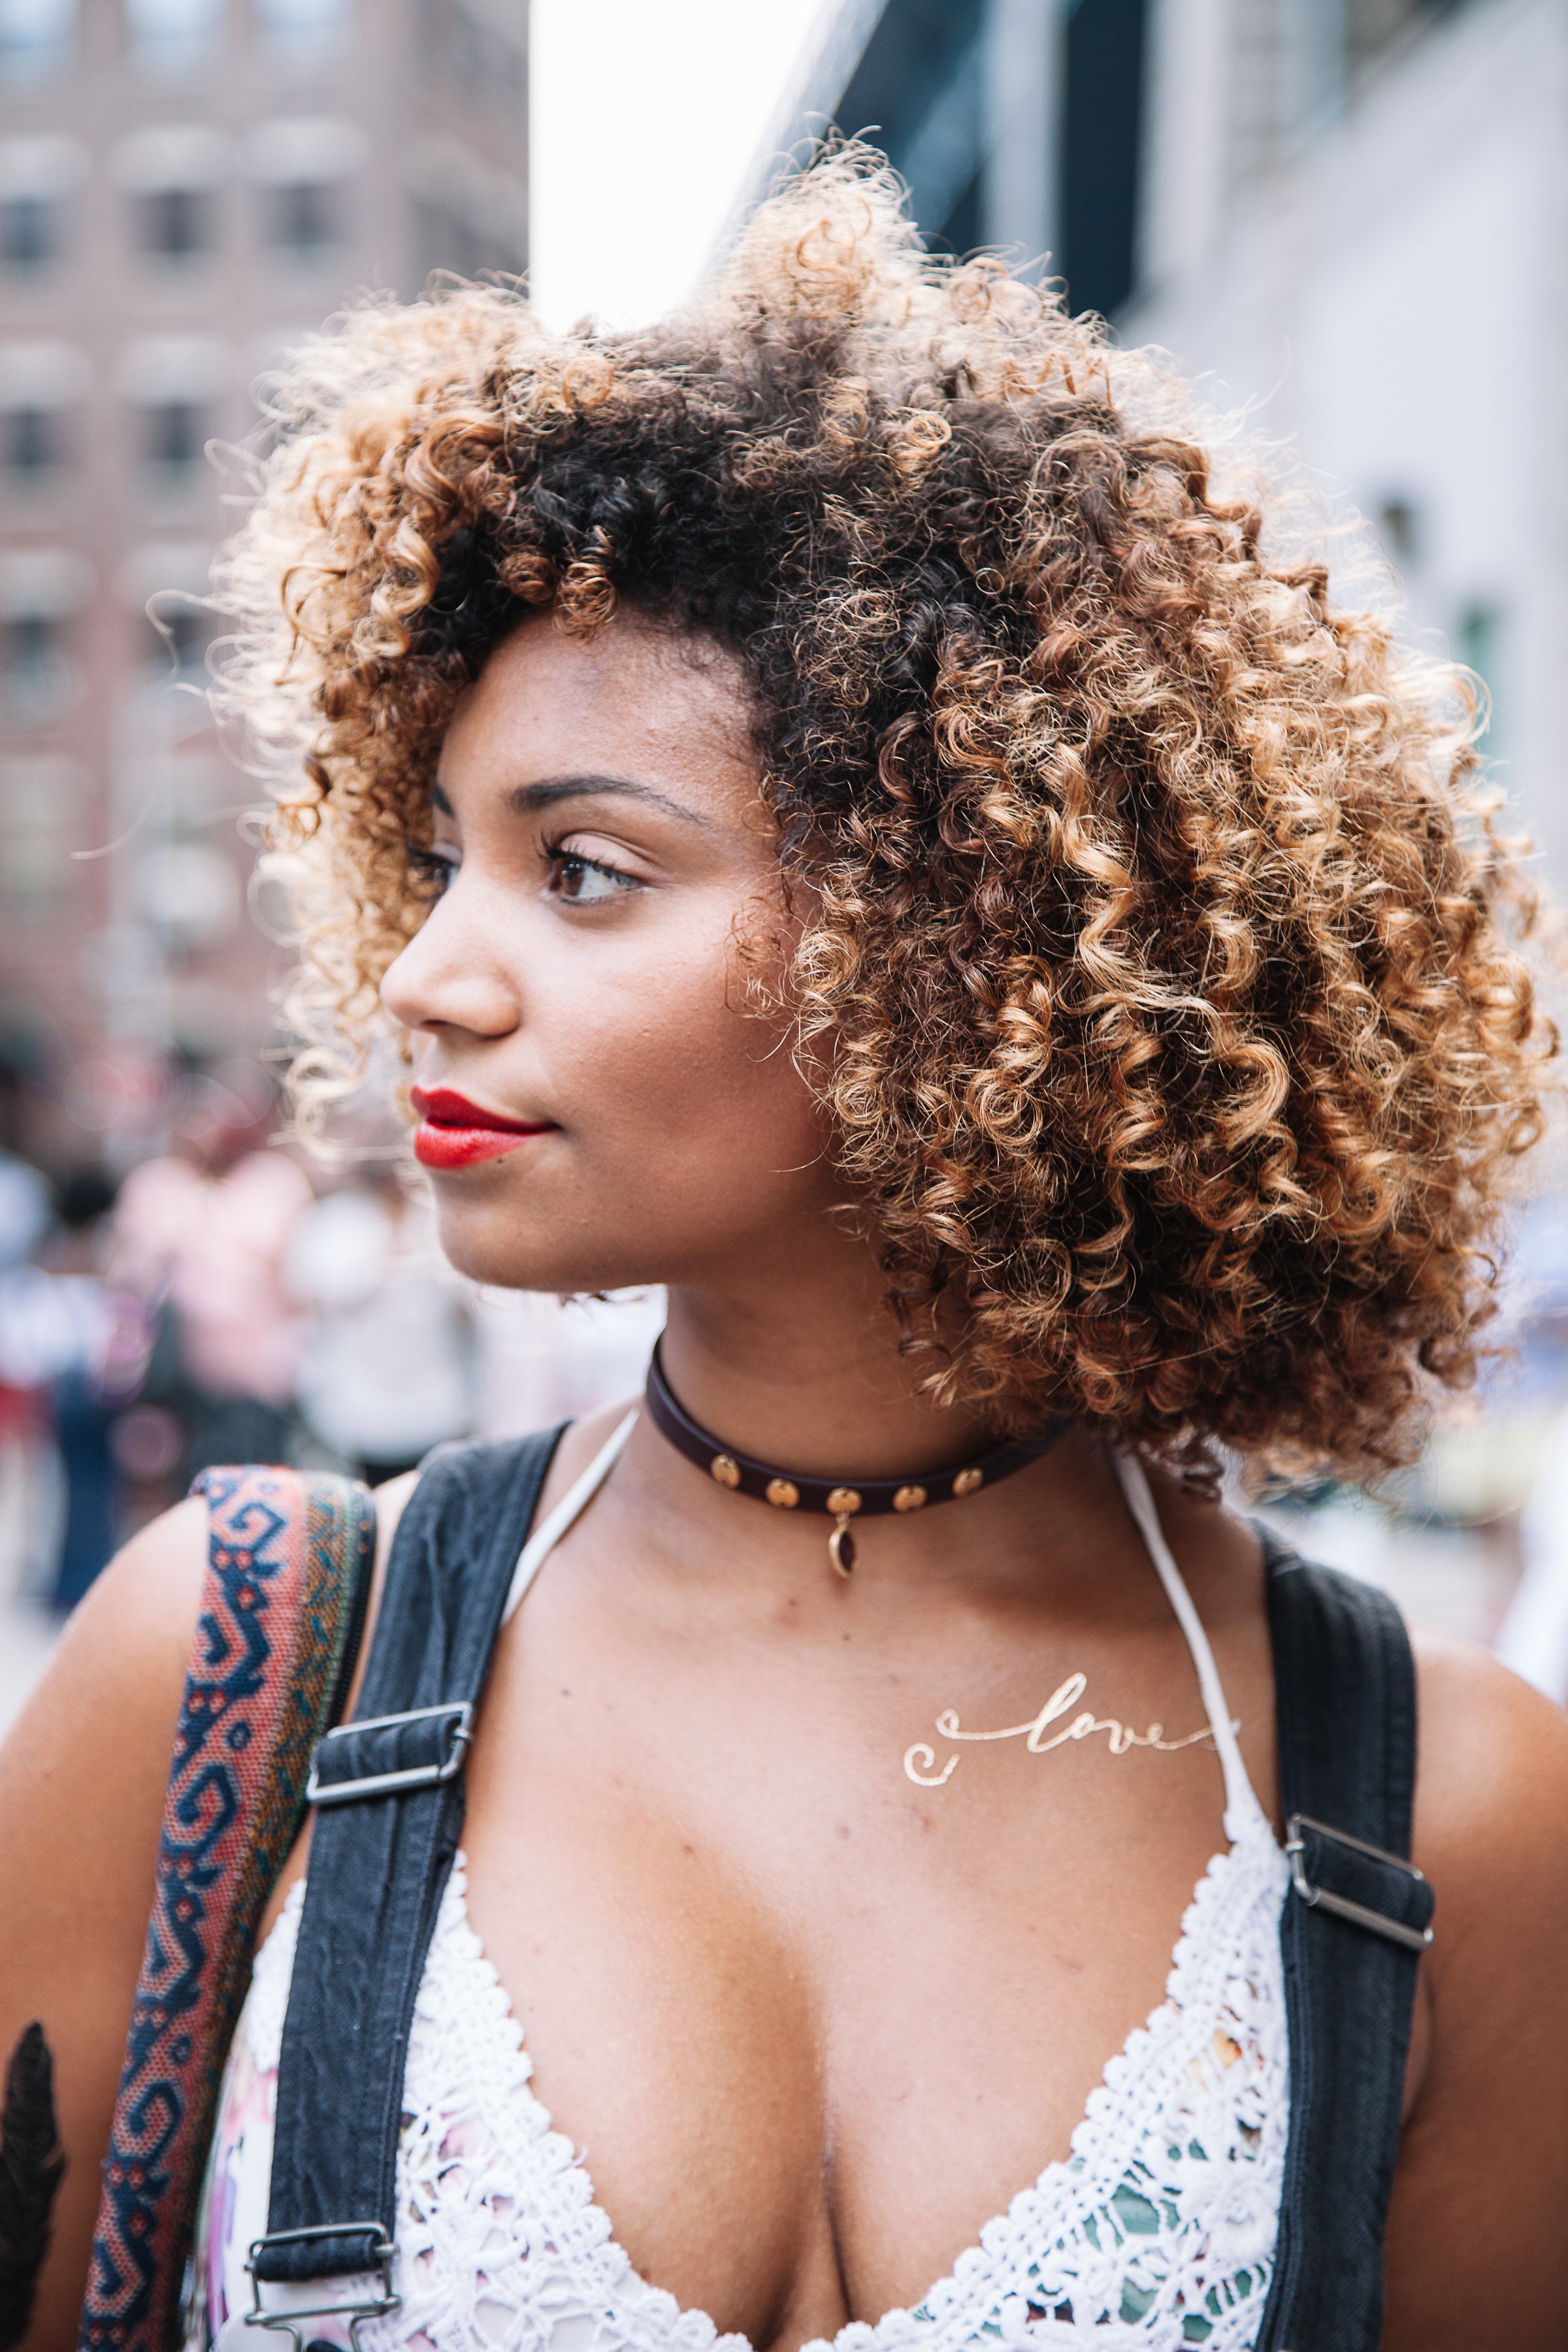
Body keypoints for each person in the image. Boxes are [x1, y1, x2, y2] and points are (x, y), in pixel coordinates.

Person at [2, 151, 1566, 2352]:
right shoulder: (240, 1670)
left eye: (585, 870)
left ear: (964, 930)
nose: (427, 978)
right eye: (441, 860)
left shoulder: (1444, 1813)